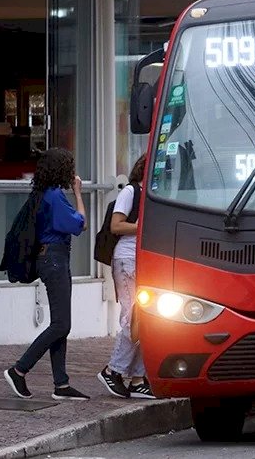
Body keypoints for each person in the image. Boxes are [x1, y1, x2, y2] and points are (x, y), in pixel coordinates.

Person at [4, 147, 89, 401]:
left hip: (52, 258)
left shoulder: (42, 193)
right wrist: (78, 193)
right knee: (62, 324)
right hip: (54, 259)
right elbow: (79, 224)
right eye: (69, 167)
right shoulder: (54, 196)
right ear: (62, 169)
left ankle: (61, 384)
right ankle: (19, 369)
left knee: (60, 324)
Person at [97, 154, 155, 399]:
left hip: (143, 261)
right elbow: (116, 225)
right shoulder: (131, 191)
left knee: (146, 320)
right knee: (132, 319)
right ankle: (113, 370)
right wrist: (144, 226)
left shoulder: (152, 194)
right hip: (127, 260)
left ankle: (138, 379)